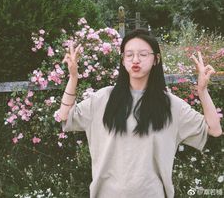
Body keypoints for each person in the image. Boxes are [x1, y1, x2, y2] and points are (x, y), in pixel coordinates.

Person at [58, 29, 222, 198]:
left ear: (156, 59)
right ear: (122, 60)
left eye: (143, 54)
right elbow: (64, 116)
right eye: (129, 55)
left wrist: (202, 90)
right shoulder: (102, 99)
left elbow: (214, 129)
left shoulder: (171, 105)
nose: (135, 60)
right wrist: (73, 77)